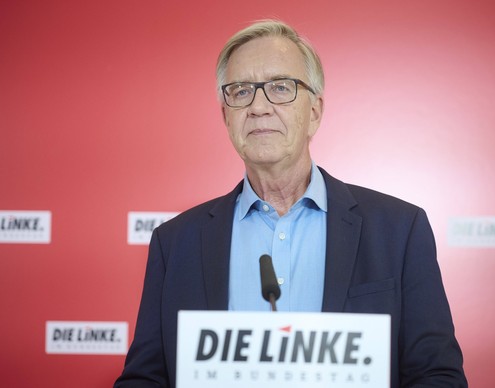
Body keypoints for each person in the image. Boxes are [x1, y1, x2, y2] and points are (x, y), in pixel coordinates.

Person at [115, 20, 467, 387]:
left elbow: (437, 376)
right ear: (225, 116)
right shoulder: (175, 244)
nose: (258, 107)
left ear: (314, 111)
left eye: (280, 88)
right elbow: (145, 378)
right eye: (240, 91)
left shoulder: (399, 230)